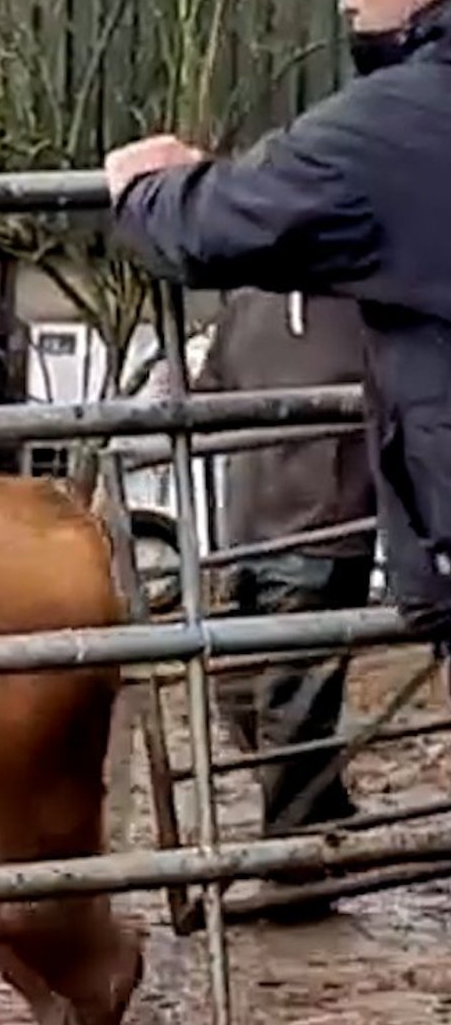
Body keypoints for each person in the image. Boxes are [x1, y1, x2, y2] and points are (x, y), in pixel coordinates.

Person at [103, 0, 451, 656]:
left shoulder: (398, 124)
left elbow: (220, 224)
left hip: (318, 530)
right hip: (285, 524)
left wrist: (143, 188)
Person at [197, 289, 376, 920]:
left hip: (326, 531)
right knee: (234, 695)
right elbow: (206, 395)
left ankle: (294, 880)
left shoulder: (366, 303)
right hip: (244, 532)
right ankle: (320, 813)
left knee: (290, 706)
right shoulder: (247, 304)